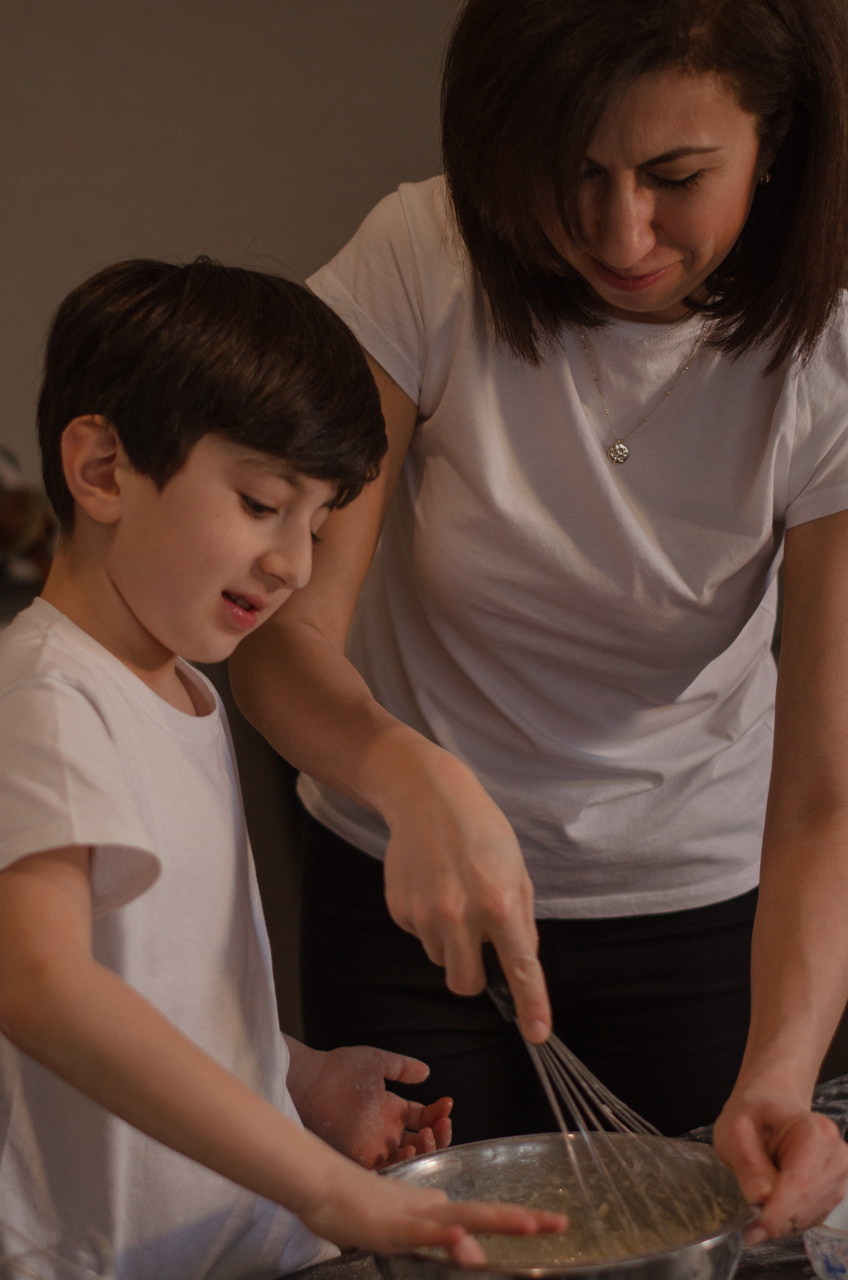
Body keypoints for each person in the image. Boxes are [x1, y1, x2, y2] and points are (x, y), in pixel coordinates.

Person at [230, 0, 848, 1245]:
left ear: (771, 138)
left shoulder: (825, 341)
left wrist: (779, 1069)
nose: (619, 232)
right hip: (408, 897)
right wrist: (409, 776)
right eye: (574, 174)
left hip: (702, 907)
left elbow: (826, 785)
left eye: (676, 177)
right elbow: (275, 632)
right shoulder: (425, 254)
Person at [0, 258, 567, 1278]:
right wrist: (327, 1188)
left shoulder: (179, 687)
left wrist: (293, 1076)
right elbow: (39, 980)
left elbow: (154, 980)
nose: (296, 564)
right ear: (100, 470)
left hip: (236, 1245)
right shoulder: (47, 695)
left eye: (314, 522)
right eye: (262, 503)